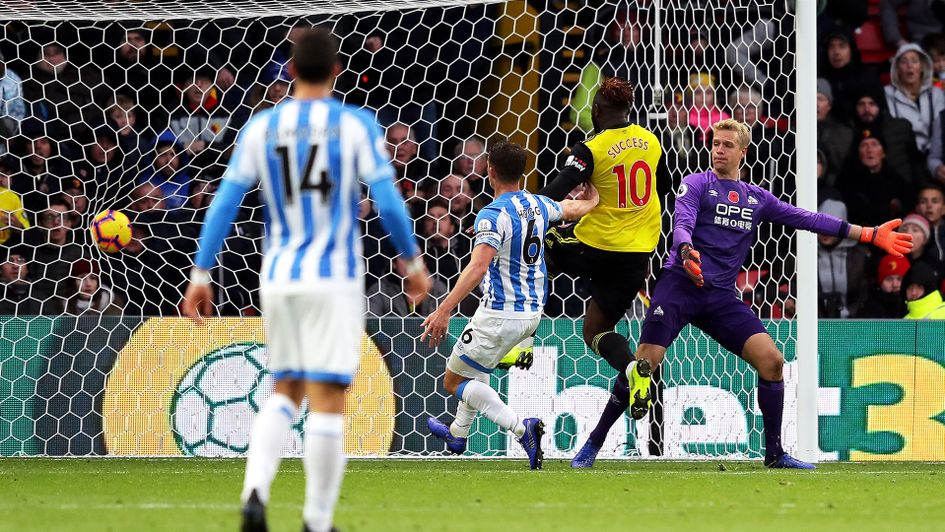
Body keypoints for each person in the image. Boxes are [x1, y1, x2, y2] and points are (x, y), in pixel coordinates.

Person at [181, 28, 431, 532]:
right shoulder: (356, 124)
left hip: (278, 277)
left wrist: (201, 271)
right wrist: (412, 262)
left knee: (286, 389)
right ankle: (317, 520)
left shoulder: (262, 127)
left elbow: (225, 201)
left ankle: (255, 491)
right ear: (337, 70)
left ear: (290, 71)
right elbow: (387, 200)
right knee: (328, 398)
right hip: (334, 278)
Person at [573, 119, 913, 469]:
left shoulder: (757, 198)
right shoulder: (696, 184)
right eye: (715, 144)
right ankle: (592, 445)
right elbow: (682, 224)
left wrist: (868, 234)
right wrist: (686, 251)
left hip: (720, 297)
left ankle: (775, 453)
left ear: (743, 152)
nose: (719, 150)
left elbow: (807, 219)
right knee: (643, 366)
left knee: (773, 362)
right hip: (679, 288)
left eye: (727, 145)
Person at [421, 140, 599, 469]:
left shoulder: (492, 215)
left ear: (489, 171)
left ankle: (521, 429)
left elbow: (478, 267)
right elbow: (571, 208)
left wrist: (443, 309)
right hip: (532, 315)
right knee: (475, 370)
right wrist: (593, 198)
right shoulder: (538, 204)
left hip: (500, 314)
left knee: (453, 381)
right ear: (523, 172)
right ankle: (458, 434)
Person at [530, 77, 669, 454]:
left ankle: (522, 337)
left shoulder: (590, 148)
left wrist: (519, 210)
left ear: (596, 109)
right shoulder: (651, 141)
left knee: (537, 244)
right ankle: (633, 370)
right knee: (595, 331)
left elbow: (555, 192)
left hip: (595, 247)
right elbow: (663, 187)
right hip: (637, 254)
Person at [860, 254, 910, 318]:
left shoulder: (915, 305)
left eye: (900, 279)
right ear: (880, 283)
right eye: (889, 279)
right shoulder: (870, 309)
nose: (895, 285)